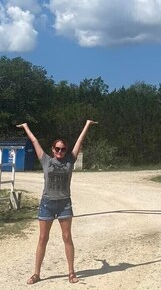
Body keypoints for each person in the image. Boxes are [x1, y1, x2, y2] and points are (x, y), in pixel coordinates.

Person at [16, 119, 98, 285]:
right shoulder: (46, 160)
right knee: (42, 239)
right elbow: (34, 141)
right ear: (52, 150)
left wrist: (87, 125)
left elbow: (79, 141)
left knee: (67, 237)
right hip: (47, 204)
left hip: (64, 205)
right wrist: (26, 127)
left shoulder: (70, 161)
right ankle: (36, 274)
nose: (60, 151)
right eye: (57, 148)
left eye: (63, 149)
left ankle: (71, 273)